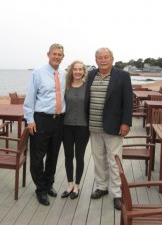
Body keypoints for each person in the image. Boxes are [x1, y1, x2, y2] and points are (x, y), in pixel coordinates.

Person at [84, 47, 133, 210]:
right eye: (99, 57)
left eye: (106, 57)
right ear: (95, 60)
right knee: (98, 159)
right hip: (94, 126)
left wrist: (126, 123)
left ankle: (117, 193)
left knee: (114, 161)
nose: (103, 60)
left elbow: (128, 101)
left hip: (114, 127)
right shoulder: (90, 75)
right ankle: (102, 187)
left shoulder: (123, 76)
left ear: (112, 59)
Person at [23, 43, 66, 206]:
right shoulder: (38, 72)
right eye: (54, 54)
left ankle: (49, 185)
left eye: (59, 54)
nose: (56, 56)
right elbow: (30, 98)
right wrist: (30, 120)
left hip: (59, 120)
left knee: (53, 156)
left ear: (63, 57)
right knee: (37, 157)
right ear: (48, 55)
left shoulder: (64, 74)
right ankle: (40, 189)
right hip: (41, 119)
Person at [61, 60, 89, 200]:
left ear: (83, 71)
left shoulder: (87, 87)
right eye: (75, 69)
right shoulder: (65, 87)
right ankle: (70, 184)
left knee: (79, 157)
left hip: (83, 127)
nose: (77, 72)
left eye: (80, 69)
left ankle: (77, 185)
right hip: (66, 126)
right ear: (71, 71)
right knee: (68, 156)